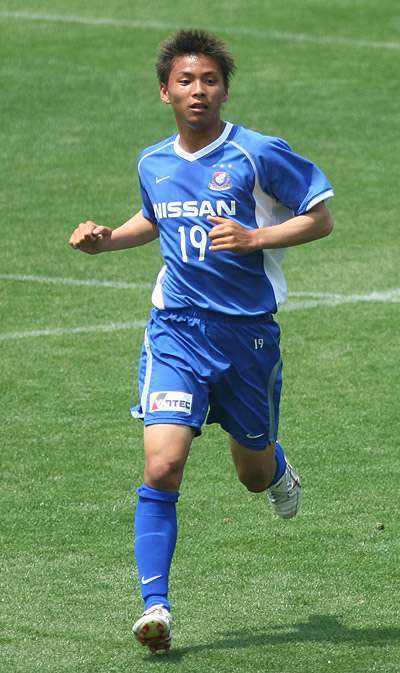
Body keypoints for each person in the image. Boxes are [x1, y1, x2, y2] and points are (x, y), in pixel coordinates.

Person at [69, 29, 334, 654]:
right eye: (185, 81)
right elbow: (155, 217)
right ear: (165, 92)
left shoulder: (257, 154)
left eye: (209, 81)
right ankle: (155, 607)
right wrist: (107, 240)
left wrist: (255, 238)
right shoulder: (152, 161)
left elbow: (319, 218)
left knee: (251, 473)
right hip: (176, 331)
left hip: (247, 337)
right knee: (162, 465)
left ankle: (277, 469)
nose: (198, 91)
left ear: (224, 91)